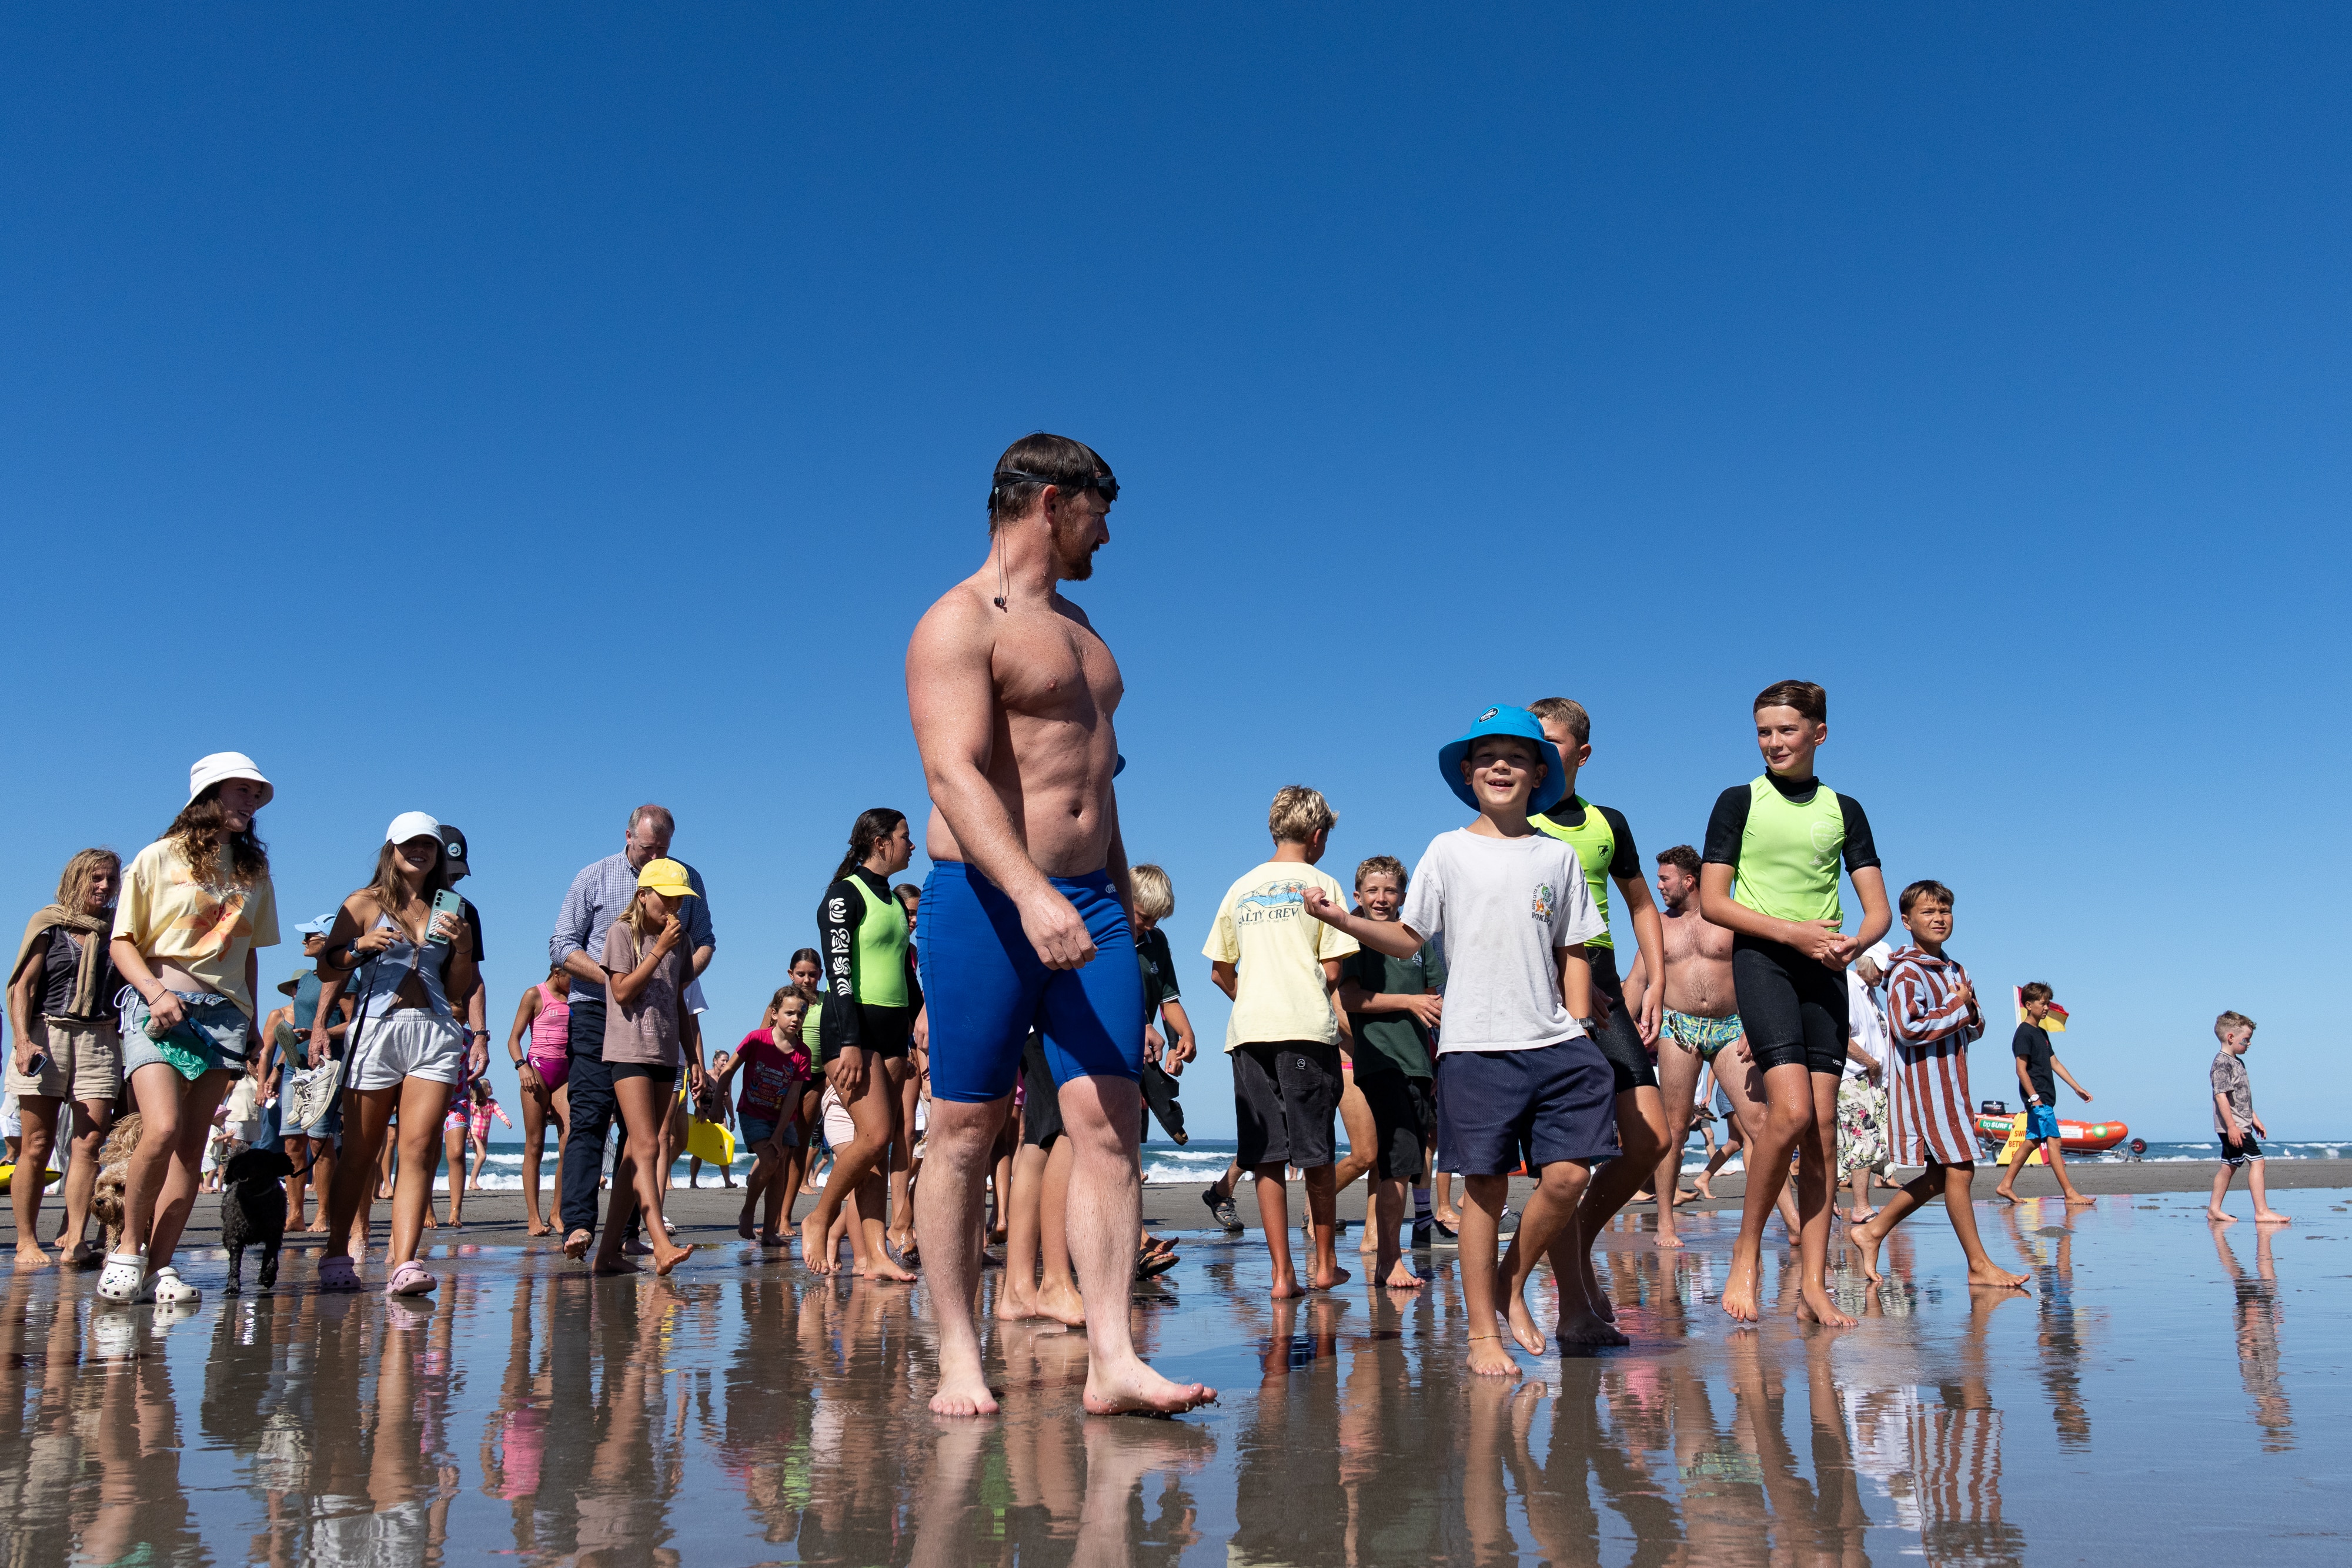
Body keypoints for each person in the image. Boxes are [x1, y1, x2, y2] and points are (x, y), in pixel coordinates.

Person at [904, 432, 1214, 1417]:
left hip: (1094, 903)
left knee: (1110, 1123)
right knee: (963, 1124)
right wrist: (1032, 892)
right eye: (1101, 509)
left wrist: (1115, 893)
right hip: (989, 900)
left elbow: (1097, 784)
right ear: (1051, 501)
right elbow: (952, 774)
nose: (1108, 534)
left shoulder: (1084, 633)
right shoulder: (957, 622)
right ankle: (959, 1353)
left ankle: (1114, 1357)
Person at [1301, 704, 1620, 1369]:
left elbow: (1575, 948)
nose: (1500, 765)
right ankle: (1481, 1332)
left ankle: (1509, 1281)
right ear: (1469, 774)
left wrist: (1583, 1024)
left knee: (1566, 1176)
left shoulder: (1557, 857)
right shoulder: (1447, 850)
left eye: (1516, 756)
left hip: (1554, 1039)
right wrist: (1344, 920)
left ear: (1540, 773)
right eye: (1486, 756)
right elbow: (1408, 936)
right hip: (1475, 1043)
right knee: (1485, 1187)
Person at [1699, 681, 1890, 1326]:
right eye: (1763, 731)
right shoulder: (1738, 802)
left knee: (1825, 1134)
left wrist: (1850, 944)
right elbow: (1714, 902)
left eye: (1785, 730)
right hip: (1765, 960)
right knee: (1789, 1112)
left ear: (1818, 733)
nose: (1773, 742)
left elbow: (1877, 911)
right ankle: (1746, 1253)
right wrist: (1793, 934)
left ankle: (1813, 1281)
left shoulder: (1845, 809)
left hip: (1825, 972)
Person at [102, 752, 282, 1308]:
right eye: (240, 791)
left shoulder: (253, 872)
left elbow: (248, 951)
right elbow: (121, 941)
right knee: (160, 1128)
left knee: (190, 1147)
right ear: (208, 796)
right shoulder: (156, 857)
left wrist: (251, 1021)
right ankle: (127, 1251)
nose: (250, 802)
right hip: (159, 1005)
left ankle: (160, 1267)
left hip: (224, 1017)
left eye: (256, 794)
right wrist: (155, 994)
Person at [1524, 698, 1672, 1271]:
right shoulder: (1513, 822)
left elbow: (1640, 903)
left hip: (1604, 979)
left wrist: (1654, 977)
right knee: (1567, 1157)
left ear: (1581, 753)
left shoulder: (1607, 822)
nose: (1537, 752)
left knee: (1650, 1139)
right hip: (1540, 982)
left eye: (1551, 741)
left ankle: (1577, 1237)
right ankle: (1558, 1268)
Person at [309, 813, 480, 1295]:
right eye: (410, 844)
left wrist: (463, 950)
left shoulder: (453, 906)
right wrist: (360, 944)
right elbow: (327, 966)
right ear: (391, 848)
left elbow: (457, 988)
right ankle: (338, 1250)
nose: (420, 851)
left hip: (433, 1030)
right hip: (376, 1029)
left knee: (419, 1149)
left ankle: (404, 1261)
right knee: (361, 1151)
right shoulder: (363, 903)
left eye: (428, 844)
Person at [1207, 785, 1359, 1299]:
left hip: (1250, 1030)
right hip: (1304, 1029)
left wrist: (1253, 996)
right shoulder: (1322, 882)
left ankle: (1281, 1274)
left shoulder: (1241, 887)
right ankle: (1325, 1264)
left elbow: (1219, 971)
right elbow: (1333, 966)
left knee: (1266, 1153)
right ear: (1317, 836)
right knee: (1316, 1150)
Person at [549, 804, 715, 1263]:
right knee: (588, 1117)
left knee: (637, 1137)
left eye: (664, 848)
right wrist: (620, 975)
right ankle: (580, 1222)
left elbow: (705, 943)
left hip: (659, 1023)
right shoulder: (595, 878)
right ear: (628, 836)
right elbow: (562, 945)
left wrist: (671, 976)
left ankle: (620, 1238)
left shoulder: (687, 881)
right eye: (648, 847)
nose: (656, 854)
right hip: (596, 1010)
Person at [1849, 881, 2029, 1291]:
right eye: (1929, 912)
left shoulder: (1955, 968)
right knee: (1961, 1168)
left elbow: (1975, 1024)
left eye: (1945, 910)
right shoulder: (1906, 971)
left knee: (1938, 1175)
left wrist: (1968, 1011)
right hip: (1924, 1085)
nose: (1939, 917)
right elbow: (1907, 1028)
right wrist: (1958, 1007)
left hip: (1955, 1082)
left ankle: (1872, 1232)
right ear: (1908, 922)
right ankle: (1979, 1264)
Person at [1638, 845, 1799, 1239]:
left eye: (1665, 878)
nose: (1658, 885)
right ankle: (1664, 1221)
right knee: (1674, 1129)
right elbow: (1636, 978)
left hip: (1731, 1027)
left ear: (1689, 880)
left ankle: (1793, 1221)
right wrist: (1622, 1031)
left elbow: (1761, 971)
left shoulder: (1728, 916)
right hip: (1679, 1027)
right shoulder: (1657, 924)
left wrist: (1756, 1022)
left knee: (1762, 1123)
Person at [799, 807, 921, 1280]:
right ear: (879, 841)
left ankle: (873, 1257)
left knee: (882, 1145)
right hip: (852, 1030)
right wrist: (849, 1041)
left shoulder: (892, 899)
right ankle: (818, 1215)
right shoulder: (842, 895)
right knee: (871, 1137)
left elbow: (903, 972)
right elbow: (840, 973)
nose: (911, 846)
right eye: (904, 837)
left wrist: (917, 1022)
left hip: (892, 1032)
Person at [7, 848, 124, 1269]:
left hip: (101, 1037)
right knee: (36, 1144)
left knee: (89, 1144)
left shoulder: (120, 928)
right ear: (76, 878)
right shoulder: (49, 922)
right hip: (46, 1033)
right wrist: (22, 1041)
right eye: (96, 877)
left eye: (111, 879)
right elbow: (23, 985)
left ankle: (75, 1240)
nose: (104, 886)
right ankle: (25, 1241)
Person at [1334, 854, 1443, 1289]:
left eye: (1391, 890)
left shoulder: (1419, 942)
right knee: (1396, 1165)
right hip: (1379, 1061)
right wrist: (1408, 1002)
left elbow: (1433, 998)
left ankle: (1387, 1254)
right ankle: (1389, 1261)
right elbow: (1352, 998)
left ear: (1404, 895)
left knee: (1408, 1164)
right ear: (1357, 896)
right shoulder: (1356, 939)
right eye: (1373, 891)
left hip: (1419, 1063)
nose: (1382, 899)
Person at [596, 858, 703, 1275]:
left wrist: (694, 1058)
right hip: (628, 1050)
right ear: (643, 895)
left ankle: (607, 1255)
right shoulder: (622, 933)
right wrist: (658, 948)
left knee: (633, 1152)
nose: (674, 907)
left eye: (680, 900)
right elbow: (621, 991)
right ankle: (659, 1242)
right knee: (647, 1144)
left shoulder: (683, 941)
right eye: (667, 898)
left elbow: (680, 1002)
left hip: (665, 1053)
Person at [1992, 982, 2097, 1206]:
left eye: (2048, 1003)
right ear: (2029, 1005)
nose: (2047, 1007)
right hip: (2038, 1099)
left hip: (2045, 1097)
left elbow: (2054, 1063)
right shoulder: (2023, 1033)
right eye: (2043, 1003)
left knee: (2031, 1141)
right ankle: (2070, 1193)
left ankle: (2005, 1185)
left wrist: (2076, 1087)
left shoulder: (2041, 1032)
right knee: (2054, 1141)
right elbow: (2021, 1070)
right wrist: (2034, 1098)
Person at [717, 987, 808, 1245]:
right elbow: (729, 1070)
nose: (795, 1019)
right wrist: (715, 1104)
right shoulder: (756, 1039)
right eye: (789, 1013)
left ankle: (770, 1232)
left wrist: (780, 1133)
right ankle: (748, 1210)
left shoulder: (802, 1053)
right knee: (769, 1162)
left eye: (800, 1015)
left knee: (779, 1172)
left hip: (783, 1119)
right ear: (774, 1013)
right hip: (754, 1113)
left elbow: (793, 1097)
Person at [504, 964, 572, 1235]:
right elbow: (513, 1039)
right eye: (572, 977)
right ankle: (534, 1218)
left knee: (570, 1140)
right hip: (537, 1071)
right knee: (535, 1144)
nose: (575, 982)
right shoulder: (535, 994)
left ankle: (557, 1212)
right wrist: (522, 1066)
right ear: (557, 972)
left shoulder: (575, 999)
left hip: (565, 1074)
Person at [1131, 864, 1197, 1145]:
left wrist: (1184, 1037)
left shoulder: (1156, 940)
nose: (1150, 926)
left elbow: (1168, 999)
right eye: (1144, 917)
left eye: (1157, 919)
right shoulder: (1104, 932)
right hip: (1099, 1048)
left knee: (1131, 1129)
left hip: (1142, 1052)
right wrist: (1142, 1024)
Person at [2206, 1011, 2288, 1225]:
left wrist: (2255, 1119)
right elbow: (2221, 1097)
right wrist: (2233, 1127)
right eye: (2246, 1039)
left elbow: (2241, 1099)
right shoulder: (2222, 1064)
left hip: (2241, 1124)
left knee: (2229, 1165)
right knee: (2258, 1163)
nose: (2249, 1044)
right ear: (2231, 1037)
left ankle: (2214, 1210)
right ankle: (2261, 1211)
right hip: (2234, 1127)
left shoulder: (2237, 1063)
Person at [1838, 945, 1895, 1222]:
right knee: (1862, 1143)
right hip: (1855, 1078)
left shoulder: (1870, 994)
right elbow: (1841, 1036)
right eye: (1882, 969)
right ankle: (1860, 1207)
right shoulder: (1850, 985)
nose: (1884, 975)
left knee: (1867, 1144)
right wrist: (1870, 1063)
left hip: (1870, 1080)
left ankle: (1839, 1203)